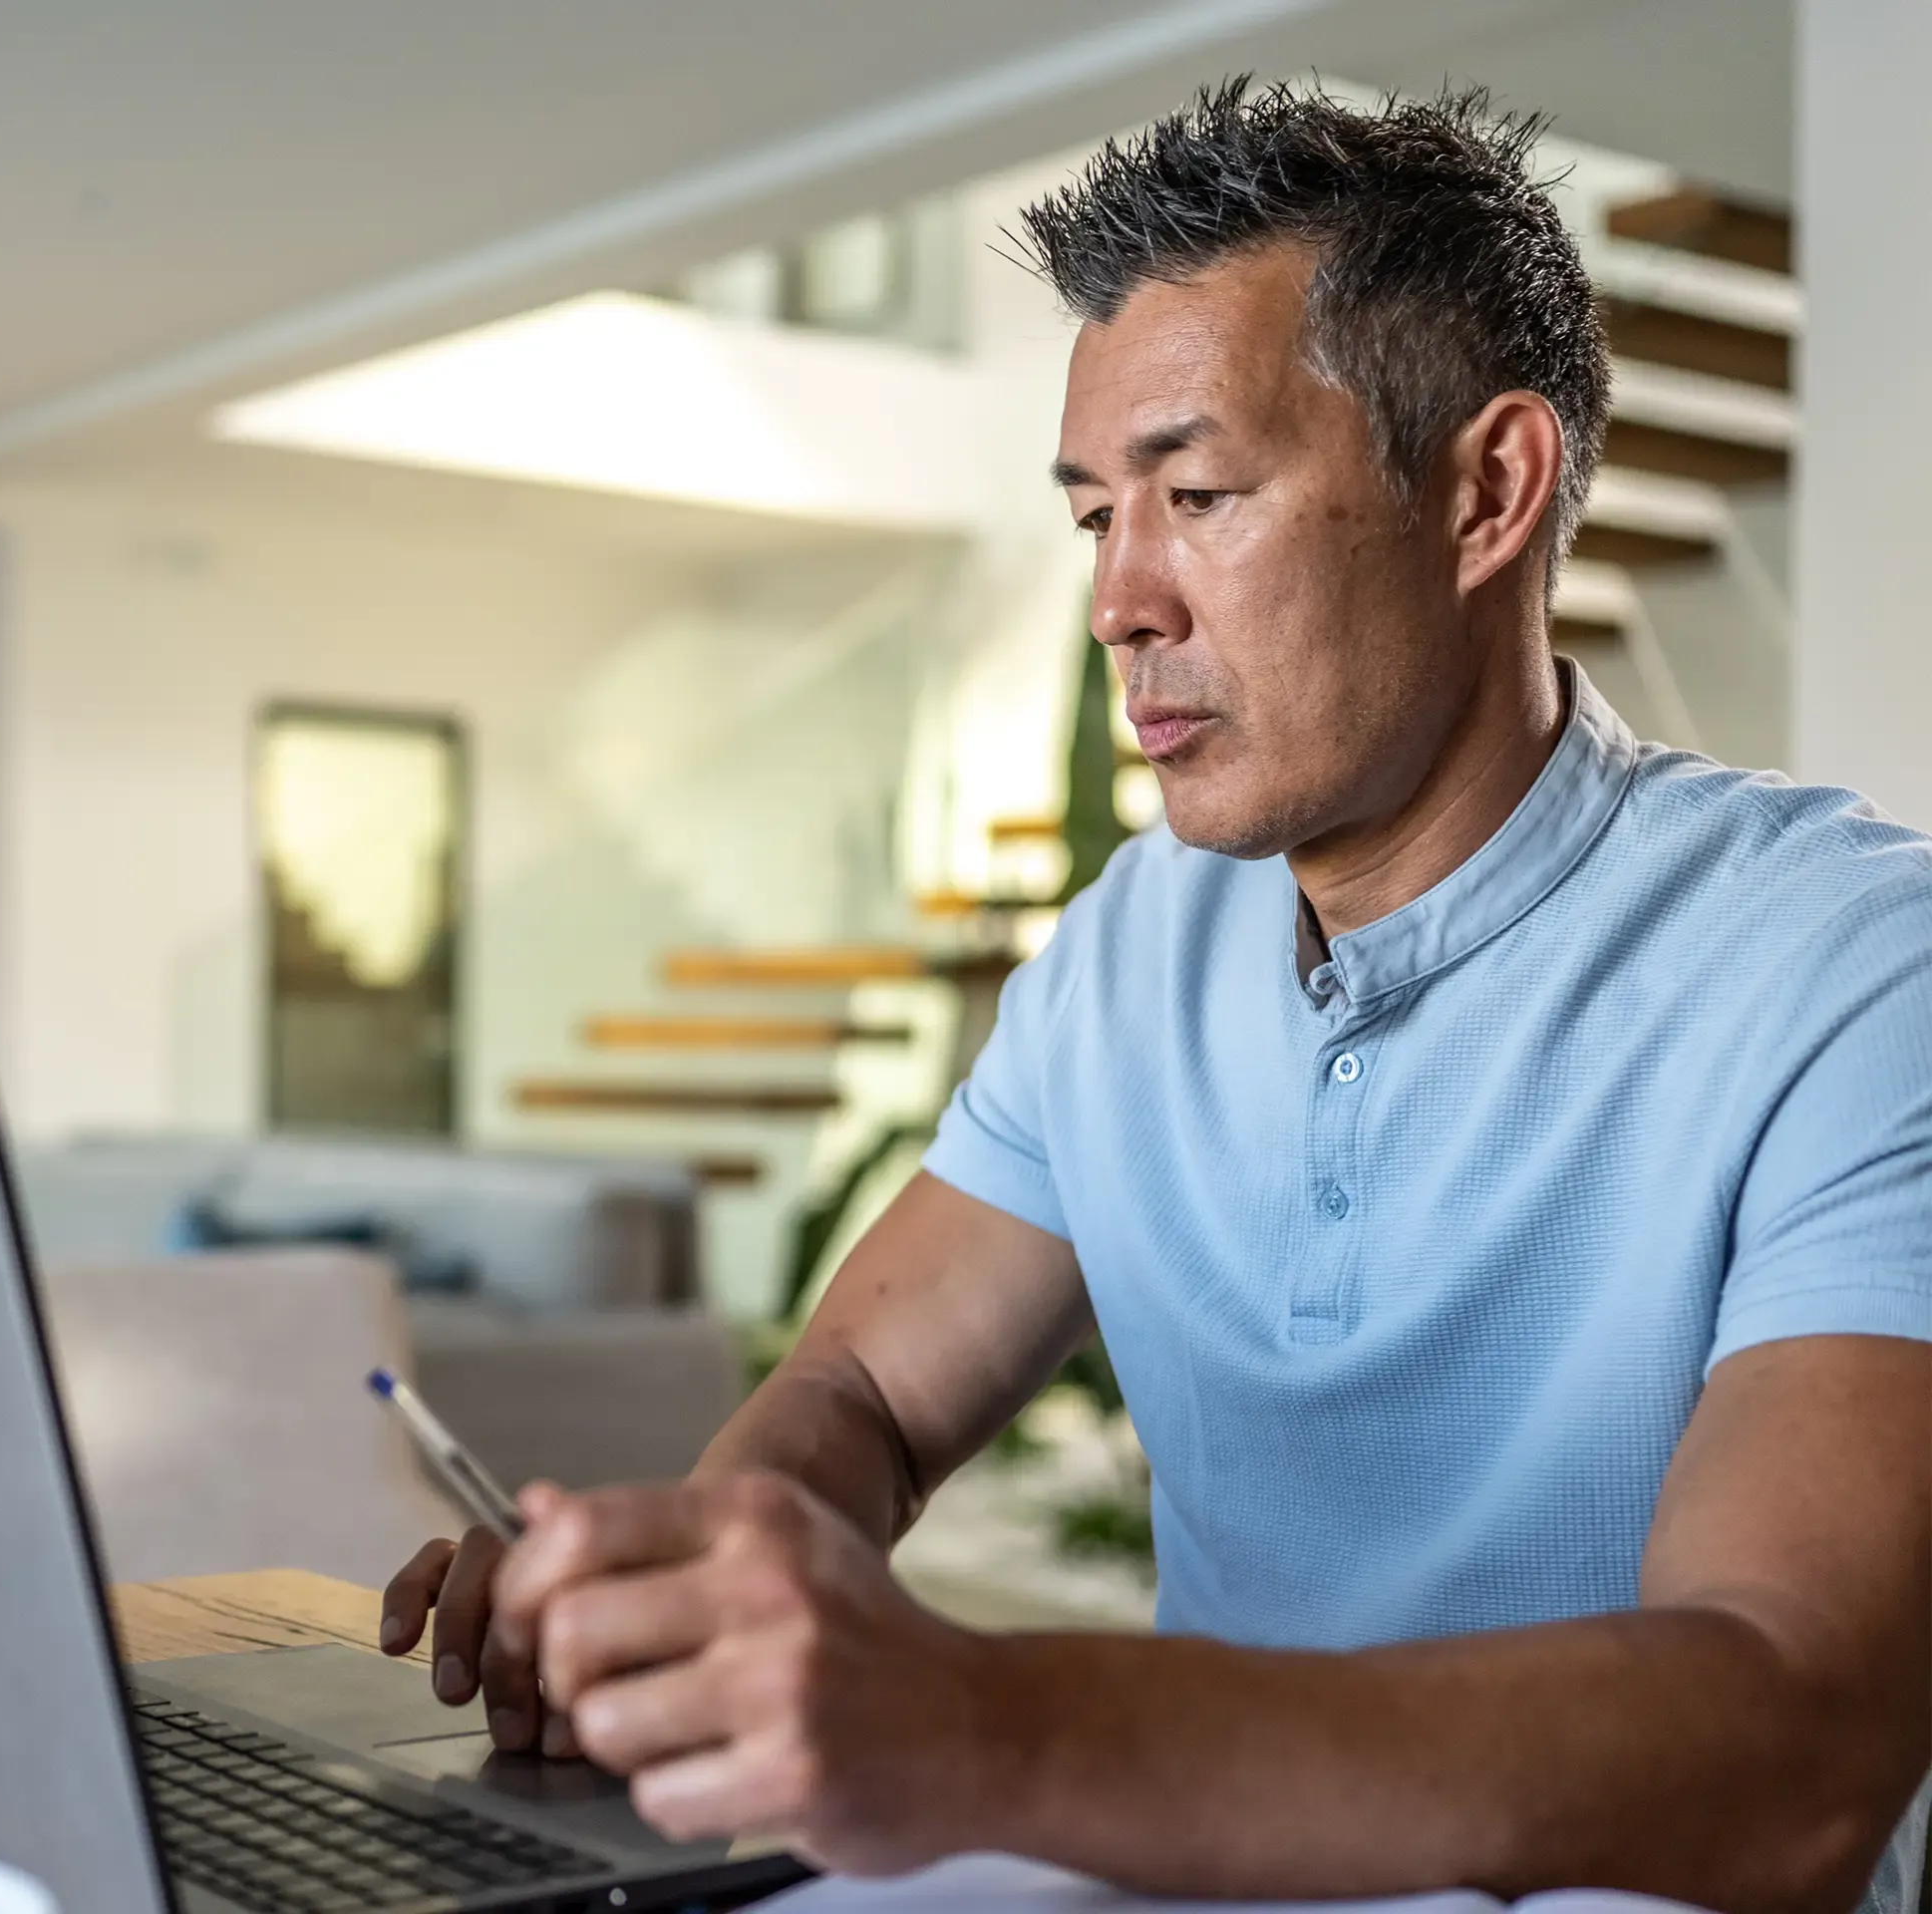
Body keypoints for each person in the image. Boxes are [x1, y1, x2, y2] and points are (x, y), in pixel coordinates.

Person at [381, 80, 1932, 1914]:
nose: (1120, 601)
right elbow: (867, 1382)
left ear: (1489, 490)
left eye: (1198, 496)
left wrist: (993, 1727)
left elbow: (1793, 1739)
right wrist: (694, 1595)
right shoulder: (1132, 944)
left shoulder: (1858, 968)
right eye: (1094, 514)